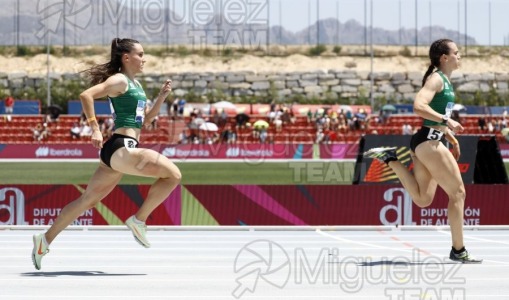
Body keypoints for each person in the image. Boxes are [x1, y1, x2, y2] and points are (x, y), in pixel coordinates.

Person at [31, 38, 182, 270]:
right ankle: (138, 220)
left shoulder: (136, 85)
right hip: (122, 146)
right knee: (173, 175)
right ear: (126, 57)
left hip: (118, 150)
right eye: (140, 54)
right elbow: (86, 95)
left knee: (87, 201)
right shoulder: (119, 80)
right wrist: (94, 128)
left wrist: (161, 96)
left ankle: (44, 240)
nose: (144, 59)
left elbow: (147, 120)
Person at [363, 39, 481, 264]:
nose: (460, 56)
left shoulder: (444, 79)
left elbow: (431, 118)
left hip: (428, 140)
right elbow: (418, 106)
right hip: (429, 143)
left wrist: (449, 135)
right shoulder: (436, 78)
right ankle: (459, 250)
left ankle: (391, 159)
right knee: (458, 194)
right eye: (456, 52)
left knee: (423, 199)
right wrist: (448, 121)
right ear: (444, 58)